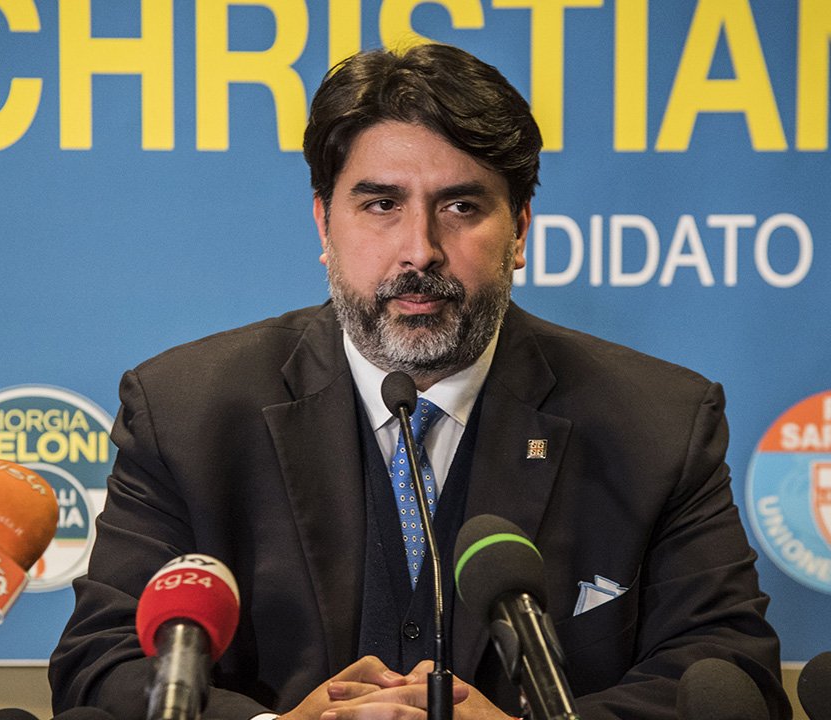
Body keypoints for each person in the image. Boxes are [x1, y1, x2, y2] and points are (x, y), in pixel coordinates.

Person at [50, 43, 790, 720]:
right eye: (381, 204)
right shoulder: (185, 412)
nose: (420, 250)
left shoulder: (660, 425)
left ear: (520, 229)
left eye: (461, 206)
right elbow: (101, 663)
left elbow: (730, 673)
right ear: (323, 224)